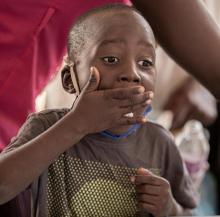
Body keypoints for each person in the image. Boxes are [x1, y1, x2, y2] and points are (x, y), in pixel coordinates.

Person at [0, 4, 197, 217]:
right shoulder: (45, 127)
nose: (132, 74)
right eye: (111, 59)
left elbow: (189, 213)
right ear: (70, 79)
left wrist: (170, 209)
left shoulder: (160, 144)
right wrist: (77, 124)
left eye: (145, 62)